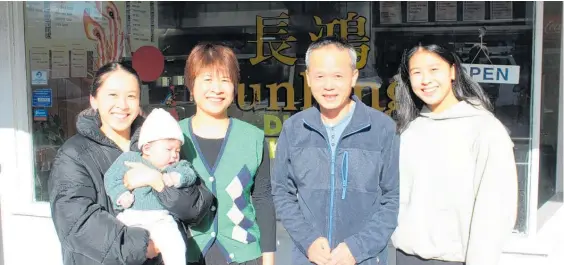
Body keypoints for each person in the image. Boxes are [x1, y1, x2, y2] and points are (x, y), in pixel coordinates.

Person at [48, 62, 213, 265]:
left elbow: (197, 205)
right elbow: (77, 223)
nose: (123, 105)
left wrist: (158, 182)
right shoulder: (74, 154)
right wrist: (145, 247)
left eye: (131, 96)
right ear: (94, 100)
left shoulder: (160, 141)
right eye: (113, 95)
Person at [272, 36, 400, 265]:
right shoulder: (294, 128)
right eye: (320, 76)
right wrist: (308, 241)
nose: (328, 85)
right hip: (309, 258)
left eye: (338, 76)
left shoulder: (382, 129)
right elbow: (282, 192)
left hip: (365, 259)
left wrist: (357, 248)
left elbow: (393, 198)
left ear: (354, 77)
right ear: (309, 78)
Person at [391, 43, 518, 265]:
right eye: (416, 73)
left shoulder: (484, 129)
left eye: (434, 70)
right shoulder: (408, 130)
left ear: (452, 71)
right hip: (403, 256)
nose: (425, 80)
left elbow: (495, 210)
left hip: (455, 260)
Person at [179, 43, 277, 265]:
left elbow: (263, 199)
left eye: (225, 80)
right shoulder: (174, 137)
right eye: (207, 80)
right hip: (186, 254)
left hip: (245, 255)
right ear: (191, 86)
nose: (217, 89)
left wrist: (269, 258)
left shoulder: (253, 138)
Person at [104, 108, 199, 265]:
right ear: (147, 148)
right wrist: (120, 194)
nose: (174, 155)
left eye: (177, 150)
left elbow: (189, 173)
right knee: (117, 243)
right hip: (130, 215)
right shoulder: (129, 159)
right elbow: (111, 178)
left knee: (175, 244)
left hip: (161, 218)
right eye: (169, 149)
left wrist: (177, 178)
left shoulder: (175, 166)